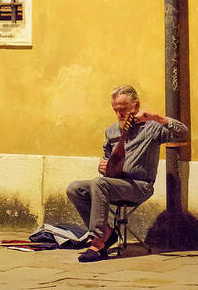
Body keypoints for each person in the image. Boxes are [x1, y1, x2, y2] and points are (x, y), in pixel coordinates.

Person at [66, 85, 189, 262]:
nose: (118, 114)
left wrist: (157, 117)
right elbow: (107, 158)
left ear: (136, 106)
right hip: (112, 183)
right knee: (75, 188)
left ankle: (98, 242)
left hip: (139, 186)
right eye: (115, 110)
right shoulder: (111, 131)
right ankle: (107, 233)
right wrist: (102, 166)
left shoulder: (152, 128)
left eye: (122, 110)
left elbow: (182, 133)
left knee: (99, 184)